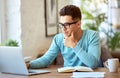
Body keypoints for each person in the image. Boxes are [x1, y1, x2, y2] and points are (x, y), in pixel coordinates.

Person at [27, 5, 101, 69]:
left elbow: (93, 63)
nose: (63, 29)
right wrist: (29, 65)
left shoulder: (92, 36)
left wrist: (73, 45)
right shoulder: (58, 39)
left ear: (78, 24)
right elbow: (46, 59)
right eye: (61, 25)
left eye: (67, 25)